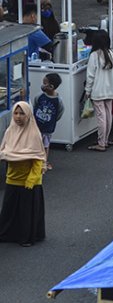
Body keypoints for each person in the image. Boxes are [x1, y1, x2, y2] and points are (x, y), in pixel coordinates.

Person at [0, 102, 46, 246]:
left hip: (29, 181)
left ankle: (25, 238)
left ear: (28, 115)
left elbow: (38, 160)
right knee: (9, 210)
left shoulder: (34, 134)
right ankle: (7, 234)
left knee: (26, 212)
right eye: (16, 113)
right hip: (12, 179)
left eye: (22, 113)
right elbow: (4, 152)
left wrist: (31, 180)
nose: (18, 117)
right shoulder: (10, 131)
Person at [84, 33, 113, 152]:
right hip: (110, 89)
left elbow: (90, 76)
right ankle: (105, 140)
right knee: (108, 115)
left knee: (101, 117)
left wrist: (88, 90)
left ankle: (101, 143)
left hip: (98, 90)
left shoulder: (94, 55)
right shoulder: (112, 53)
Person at [33, 73, 63, 171]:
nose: (42, 85)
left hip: (47, 128)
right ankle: (35, 161)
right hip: (36, 126)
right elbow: (35, 105)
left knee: (45, 145)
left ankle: (44, 162)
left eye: (45, 83)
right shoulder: (40, 96)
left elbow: (59, 113)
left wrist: (51, 122)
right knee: (35, 144)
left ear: (51, 86)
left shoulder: (58, 100)